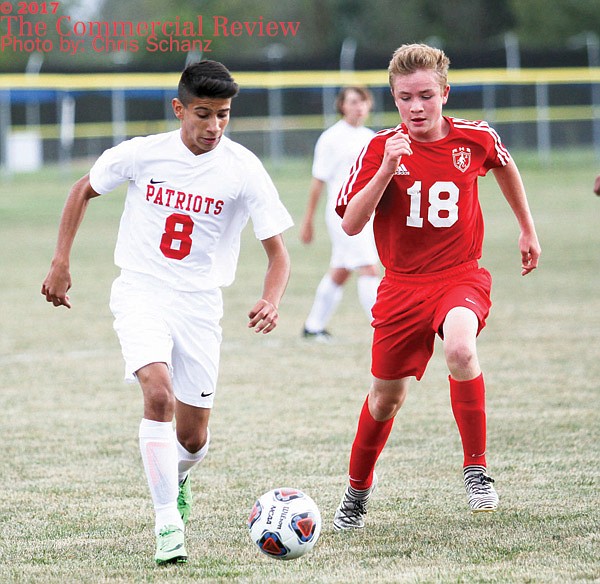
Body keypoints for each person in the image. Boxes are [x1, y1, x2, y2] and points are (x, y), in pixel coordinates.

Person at [41, 60, 293, 564]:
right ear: (179, 109)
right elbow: (81, 190)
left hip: (200, 303)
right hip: (141, 289)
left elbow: (278, 254)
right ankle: (167, 525)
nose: (214, 127)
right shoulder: (143, 153)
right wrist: (61, 260)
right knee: (158, 395)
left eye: (223, 115)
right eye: (203, 114)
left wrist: (271, 298)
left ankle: (176, 477)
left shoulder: (243, 168)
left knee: (194, 438)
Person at [332, 44, 541, 530]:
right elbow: (350, 224)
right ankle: (356, 493)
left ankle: (476, 470)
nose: (417, 107)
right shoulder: (379, 148)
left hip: (459, 275)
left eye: (426, 95)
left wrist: (527, 228)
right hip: (401, 286)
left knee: (462, 351)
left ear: (445, 93)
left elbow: (505, 165)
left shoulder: (475, 138)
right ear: (394, 99)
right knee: (386, 398)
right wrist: (387, 167)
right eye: (405, 98)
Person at [300, 86, 380, 341]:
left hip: (366, 214)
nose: (359, 106)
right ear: (342, 106)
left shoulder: (371, 137)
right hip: (342, 214)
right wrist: (308, 220)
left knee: (341, 270)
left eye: (363, 101)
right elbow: (318, 181)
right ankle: (382, 327)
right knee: (368, 267)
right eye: (353, 101)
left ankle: (313, 327)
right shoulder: (331, 138)